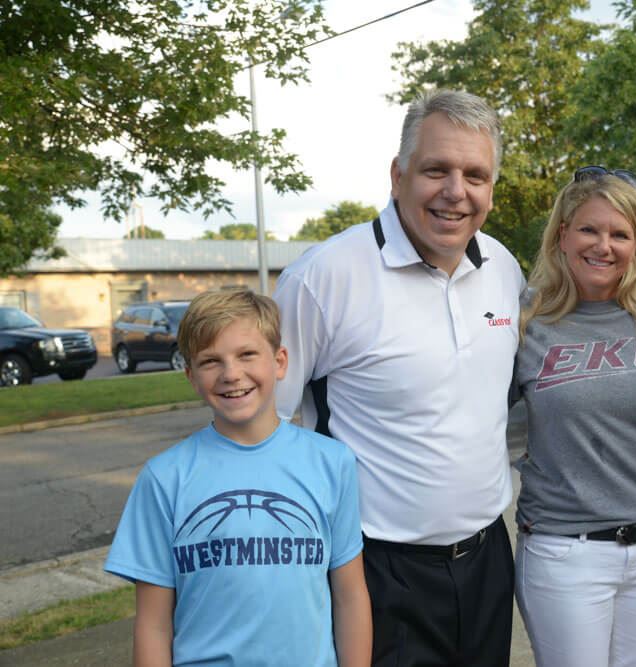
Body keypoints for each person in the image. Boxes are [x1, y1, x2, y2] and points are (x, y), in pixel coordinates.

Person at [273, 89, 524, 667]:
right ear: (397, 174)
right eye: (436, 169)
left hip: (488, 558)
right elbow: (266, 427)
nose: (455, 192)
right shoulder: (323, 278)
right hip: (375, 573)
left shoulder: (504, 269)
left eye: (475, 175)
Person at [104, 289, 371, 667]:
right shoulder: (165, 478)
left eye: (247, 354)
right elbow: (153, 623)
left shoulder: (332, 462)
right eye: (211, 361)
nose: (231, 374)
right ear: (191, 376)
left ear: (279, 362)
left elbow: (349, 595)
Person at [512, 167, 636, 667]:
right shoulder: (525, 318)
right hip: (564, 552)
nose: (603, 245)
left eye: (620, 234)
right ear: (563, 234)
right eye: (589, 229)